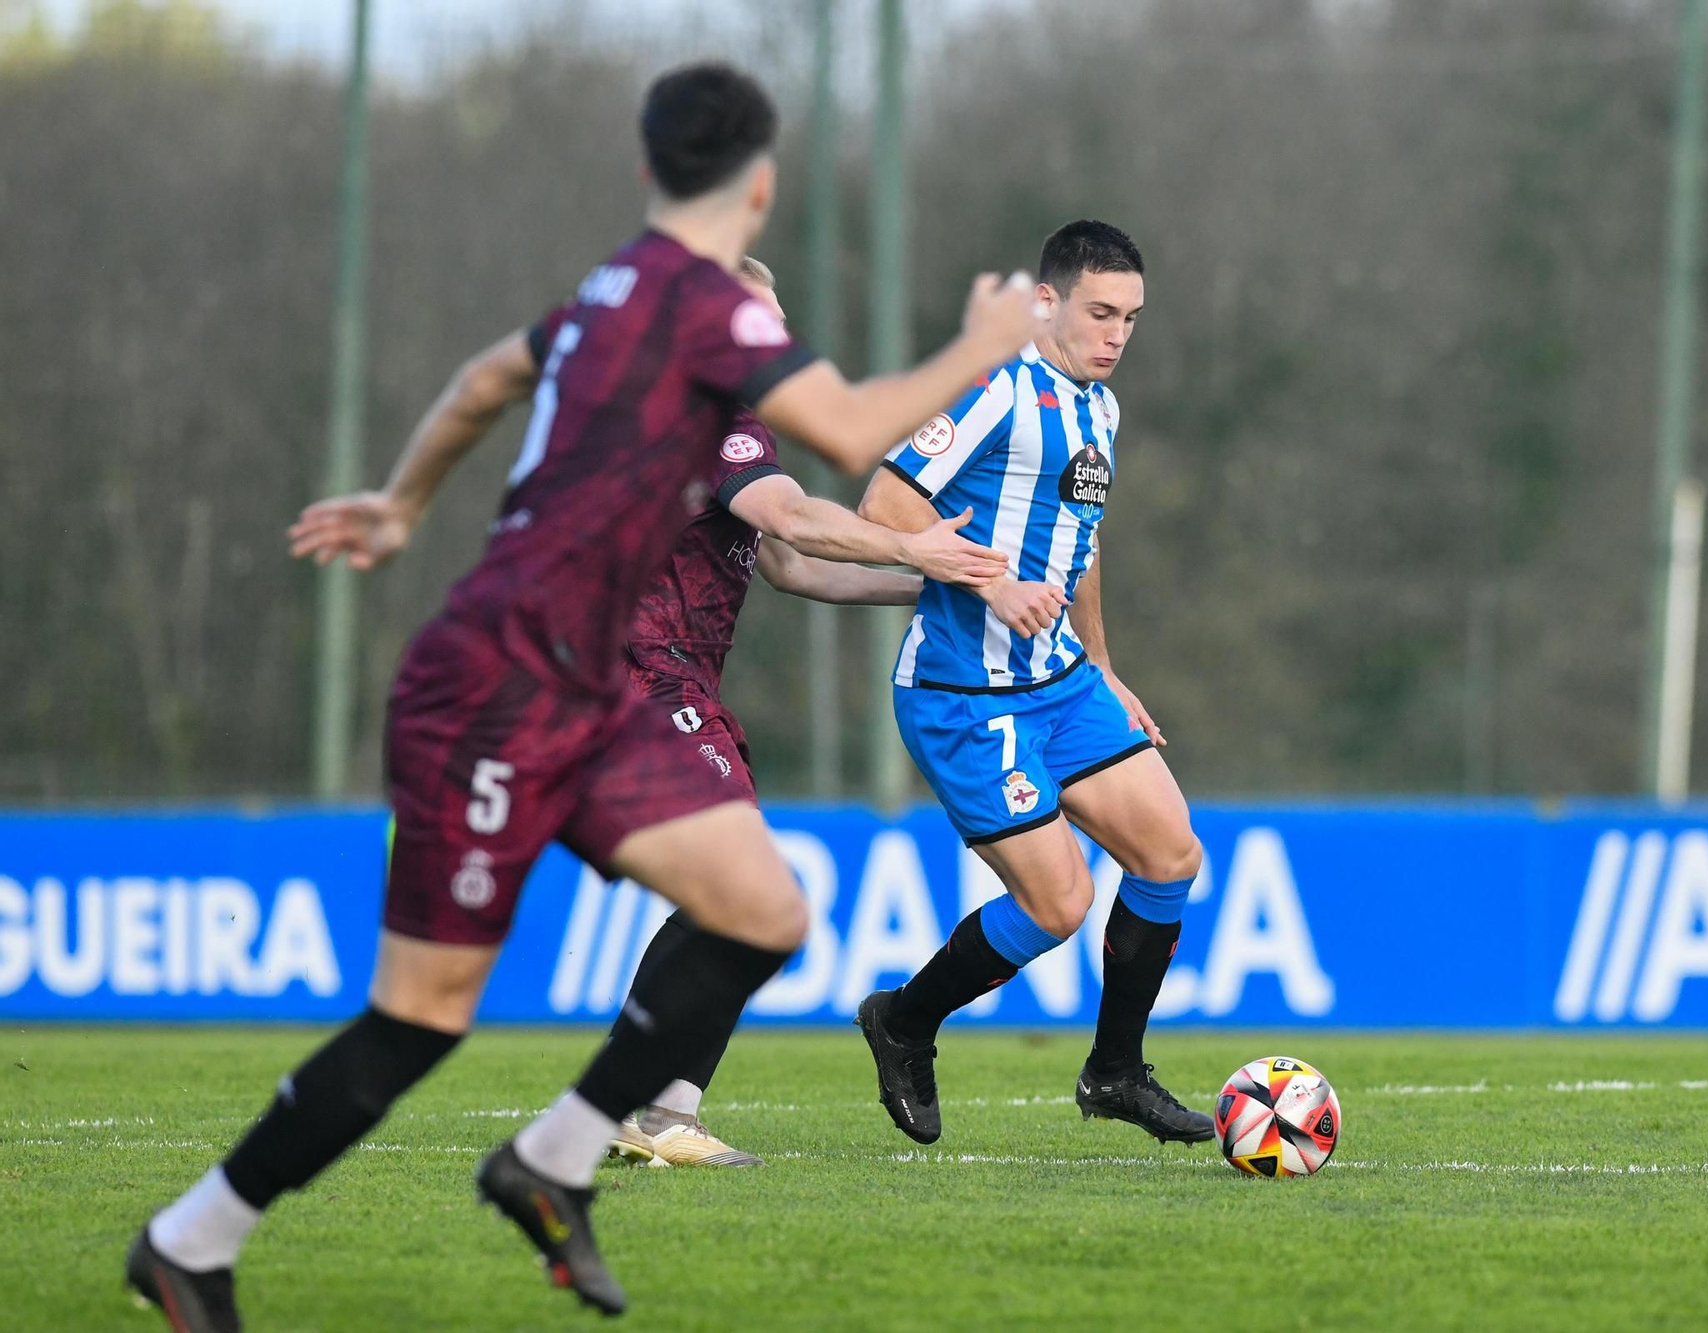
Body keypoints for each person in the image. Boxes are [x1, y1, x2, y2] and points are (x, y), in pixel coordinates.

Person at [126, 61, 1038, 1331]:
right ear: (759, 188)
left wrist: (401, 501)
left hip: (534, 677)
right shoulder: (711, 311)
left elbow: (480, 385)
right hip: (521, 686)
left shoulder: (605, 295)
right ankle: (213, 1234)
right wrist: (980, 360)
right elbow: (841, 445)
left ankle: (526, 1165)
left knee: (758, 909)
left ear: (645, 172)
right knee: (425, 1018)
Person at [599, 256, 1007, 1168]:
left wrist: (927, 585)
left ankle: (654, 1107)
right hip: (640, 679)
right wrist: (918, 545)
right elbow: (789, 519)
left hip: (659, 682)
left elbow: (791, 565)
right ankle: (639, 1103)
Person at [851, 220, 1214, 1149]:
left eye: (1131, 317)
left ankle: (1116, 1072)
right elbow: (885, 505)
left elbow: (1079, 545)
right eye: (1100, 311)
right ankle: (904, 1019)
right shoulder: (993, 389)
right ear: (1046, 302)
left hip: (1060, 681)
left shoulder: (1100, 410)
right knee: (1058, 904)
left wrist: (1101, 665)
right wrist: (992, 580)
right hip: (964, 691)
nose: (1117, 333)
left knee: (1171, 852)